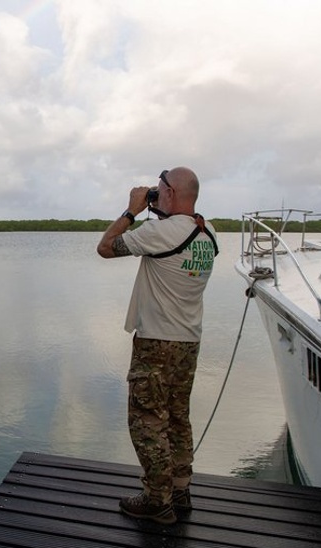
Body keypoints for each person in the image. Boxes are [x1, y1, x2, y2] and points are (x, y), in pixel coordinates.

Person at [96, 166, 218, 524]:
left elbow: (105, 247)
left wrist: (131, 210)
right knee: (178, 417)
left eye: (159, 187)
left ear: (172, 193)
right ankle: (180, 490)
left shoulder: (157, 232)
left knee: (147, 419)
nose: (154, 191)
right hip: (188, 341)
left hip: (156, 342)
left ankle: (156, 500)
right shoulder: (207, 232)